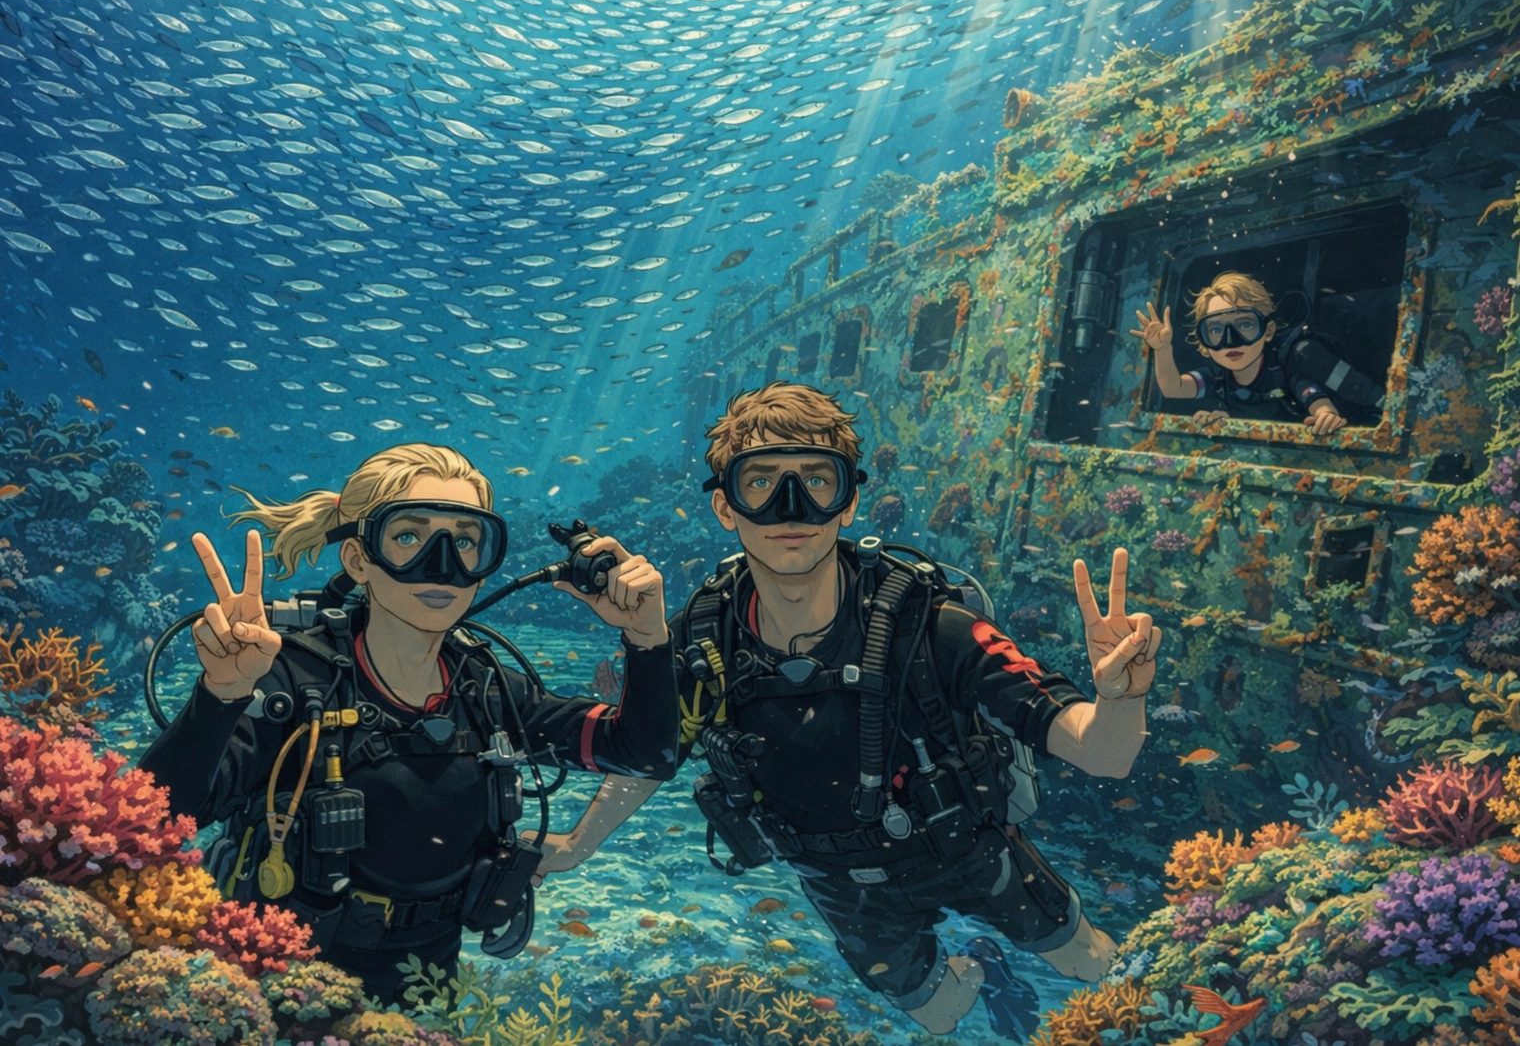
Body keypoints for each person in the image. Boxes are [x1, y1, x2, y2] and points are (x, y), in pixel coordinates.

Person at [533, 382, 1162, 1042]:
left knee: (1090, 958)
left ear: (850, 497)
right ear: (724, 506)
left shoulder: (929, 624)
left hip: (965, 845)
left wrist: (1122, 698)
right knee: (941, 1012)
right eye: (761, 484)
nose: (790, 506)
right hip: (839, 880)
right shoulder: (706, 640)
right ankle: (983, 970)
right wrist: (578, 845)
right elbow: (655, 754)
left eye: (816, 479)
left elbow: (1104, 752)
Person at [139, 443, 677, 1004]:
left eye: (465, 541)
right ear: (358, 559)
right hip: (279, 977)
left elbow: (644, 753)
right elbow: (159, 818)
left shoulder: (489, 689)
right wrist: (222, 694)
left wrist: (647, 639)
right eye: (408, 537)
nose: (442, 564)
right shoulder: (297, 681)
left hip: (429, 981)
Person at [1133, 270, 1351, 435]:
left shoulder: (1283, 371)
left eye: (1245, 325)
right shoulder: (1217, 377)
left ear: (1268, 331)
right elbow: (1174, 388)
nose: (1231, 341)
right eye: (1216, 330)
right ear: (1204, 342)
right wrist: (1162, 349)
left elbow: (1316, 401)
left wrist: (1326, 416)